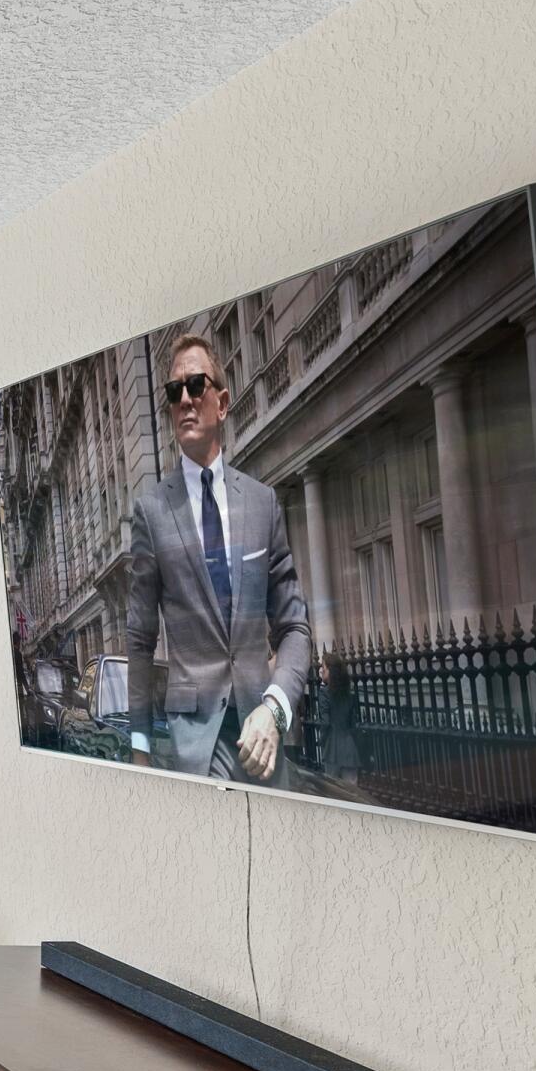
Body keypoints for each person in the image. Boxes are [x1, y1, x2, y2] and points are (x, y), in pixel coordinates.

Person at [123, 333, 312, 784]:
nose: (184, 400)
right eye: (174, 392)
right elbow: (139, 639)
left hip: (261, 743)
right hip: (193, 751)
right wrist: (140, 749)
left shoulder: (262, 504)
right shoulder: (151, 512)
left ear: (222, 403)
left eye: (195, 386)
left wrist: (275, 708)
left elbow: (295, 627)